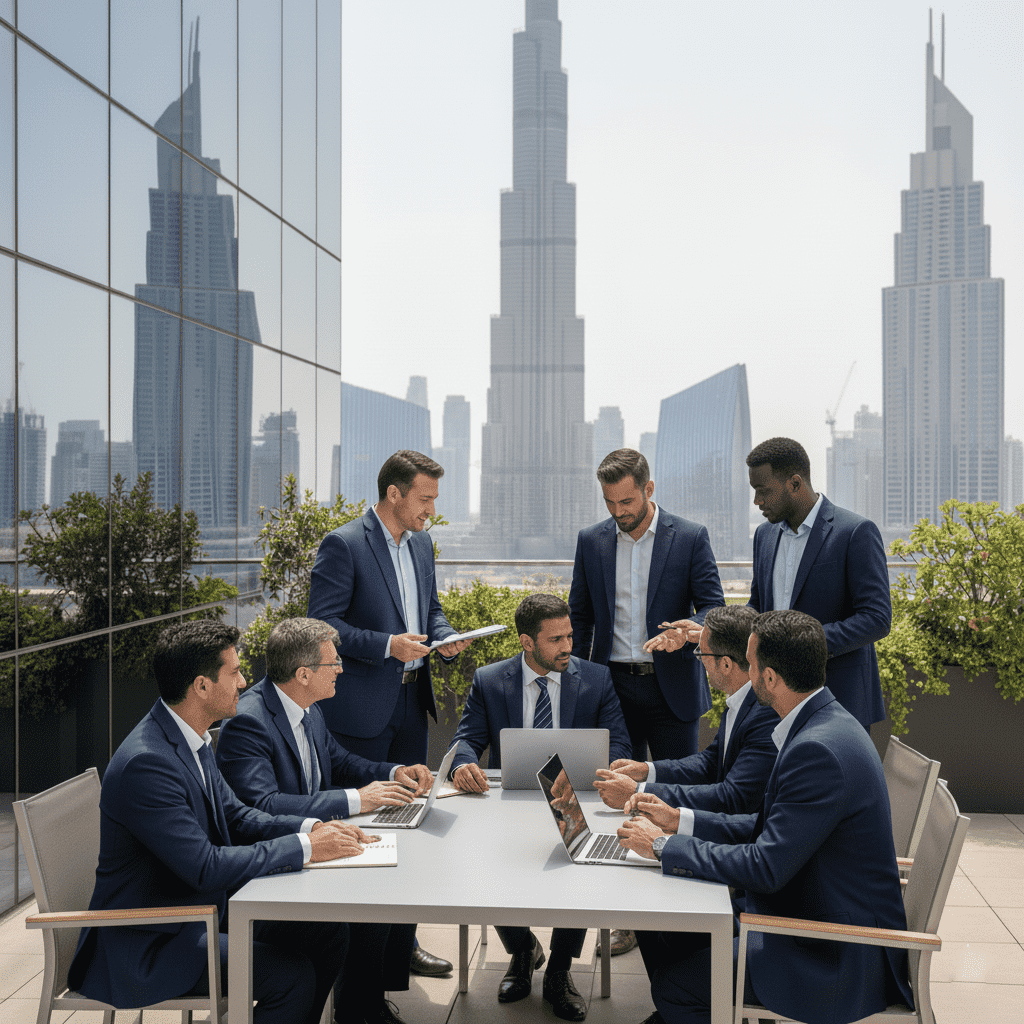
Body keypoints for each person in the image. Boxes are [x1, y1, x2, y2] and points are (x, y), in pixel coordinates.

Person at [618, 610, 912, 1024]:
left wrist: (664, 845)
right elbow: (764, 829)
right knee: (667, 934)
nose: (745, 669)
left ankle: (681, 1007)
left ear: (770, 677)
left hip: (832, 954)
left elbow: (765, 866)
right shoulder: (821, 723)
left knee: (675, 985)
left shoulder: (819, 751)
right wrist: (675, 820)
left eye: (751, 663)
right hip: (810, 915)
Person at [67, 621, 359, 1024]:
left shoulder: (192, 737)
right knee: (291, 977)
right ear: (202, 686)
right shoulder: (146, 764)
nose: (244, 681)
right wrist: (306, 849)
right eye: (235, 672)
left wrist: (311, 829)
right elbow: (205, 867)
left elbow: (237, 815)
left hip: (198, 916)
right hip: (152, 941)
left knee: (327, 933)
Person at [217, 617, 437, 1024]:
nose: (341, 669)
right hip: (269, 868)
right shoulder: (248, 721)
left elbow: (339, 760)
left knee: (390, 880)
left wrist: (393, 773)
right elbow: (263, 804)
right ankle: (359, 1009)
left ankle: (362, 1005)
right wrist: (357, 799)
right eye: (333, 664)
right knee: (372, 898)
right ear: (303, 674)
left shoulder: (308, 708)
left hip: (311, 845)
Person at [308, 449, 471, 977]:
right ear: (394, 494)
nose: (431, 510)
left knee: (410, 825)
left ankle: (400, 950)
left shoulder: (422, 543)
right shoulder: (344, 544)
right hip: (360, 711)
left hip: (409, 702)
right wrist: (386, 646)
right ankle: (358, 970)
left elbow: (431, 610)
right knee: (369, 833)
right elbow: (322, 625)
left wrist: (443, 637)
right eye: (424, 499)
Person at [569, 447, 724, 956]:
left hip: (672, 686)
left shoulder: (690, 537)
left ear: (649, 490)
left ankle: (677, 894)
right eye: (611, 502)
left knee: (676, 789)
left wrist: (692, 633)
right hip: (613, 686)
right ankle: (624, 914)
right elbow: (581, 616)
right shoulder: (592, 541)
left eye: (628, 500)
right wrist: (584, 678)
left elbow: (715, 609)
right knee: (614, 794)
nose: (619, 512)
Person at [449, 593, 631, 1022]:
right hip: (509, 800)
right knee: (484, 861)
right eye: (556, 639)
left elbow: (619, 741)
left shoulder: (597, 679)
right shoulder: (491, 680)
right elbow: (467, 739)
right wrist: (462, 764)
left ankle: (561, 970)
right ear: (527, 642)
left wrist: (610, 769)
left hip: (574, 801)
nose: (568, 646)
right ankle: (522, 950)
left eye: (569, 635)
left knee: (583, 864)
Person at [746, 436, 891, 731]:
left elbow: (876, 619)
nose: (757, 501)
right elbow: (757, 608)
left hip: (839, 697)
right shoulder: (764, 535)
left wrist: (802, 644)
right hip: (775, 701)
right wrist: (712, 630)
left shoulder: (855, 532)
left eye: (763, 491)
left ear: (795, 483)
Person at [594, 605, 777, 825]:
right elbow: (710, 763)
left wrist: (638, 791)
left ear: (726, 663)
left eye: (701, 653)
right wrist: (646, 770)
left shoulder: (766, 713)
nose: (700, 661)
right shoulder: (743, 699)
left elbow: (733, 798)